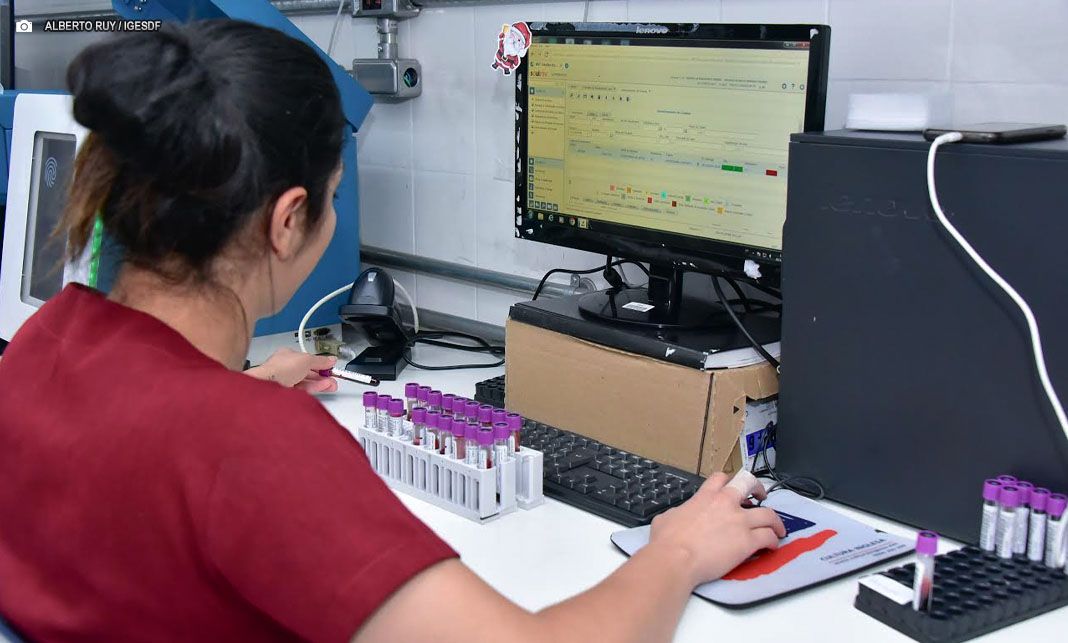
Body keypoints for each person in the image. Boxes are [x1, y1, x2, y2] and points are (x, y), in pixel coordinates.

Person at [0, 21, 784, 643]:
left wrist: (225, 396)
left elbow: (147, 450)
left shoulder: (46, 344)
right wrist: (679, 549)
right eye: (333, 195)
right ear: (287, 220)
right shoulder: (247, 445)